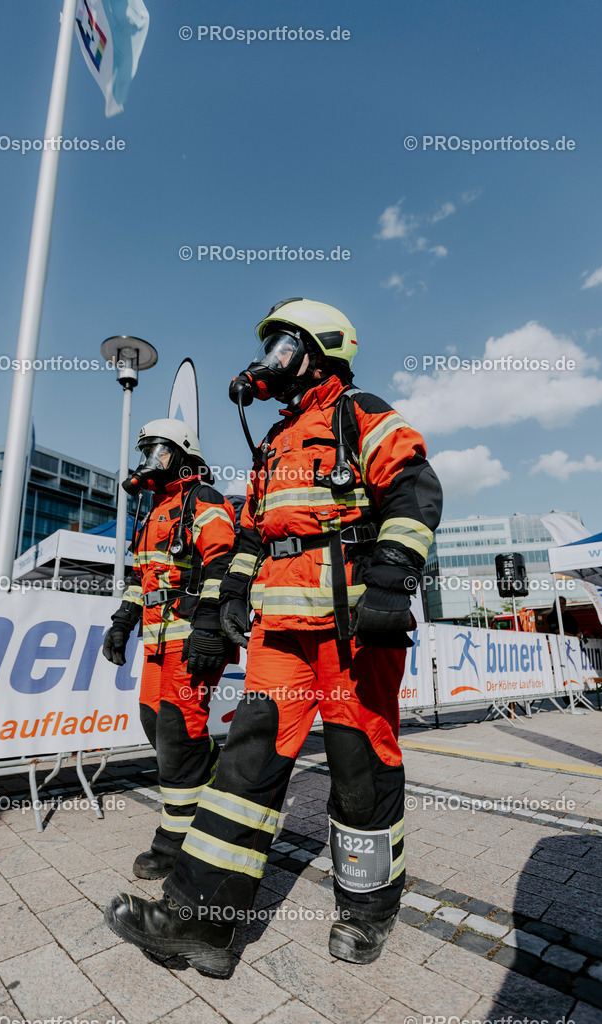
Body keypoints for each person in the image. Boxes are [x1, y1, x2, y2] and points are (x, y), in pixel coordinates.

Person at [104, 299, 443, 977]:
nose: (268, 362)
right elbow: (254, 532)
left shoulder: (359, 413)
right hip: (280, 637)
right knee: (243, 771)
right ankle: (200, 924)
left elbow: (413, 489)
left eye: (282, 346)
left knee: (359, 768)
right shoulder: (275, 442)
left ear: (318, 351)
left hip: (352, 632)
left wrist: (389, 581)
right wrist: (229, 597)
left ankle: (366, 909)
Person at [101, 418, 236, 879]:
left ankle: (175, 841)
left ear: (181, 455)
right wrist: (122, 622)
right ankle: (211, 773)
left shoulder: (204, 501)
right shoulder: (155, 511)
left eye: (157, 452)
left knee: (178, 734)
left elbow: (222, 564)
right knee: (155, 723)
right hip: (157, 640)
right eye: (145, 453)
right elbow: (144, 579)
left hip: (190, 636)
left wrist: (208, 628)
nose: (148, 462)